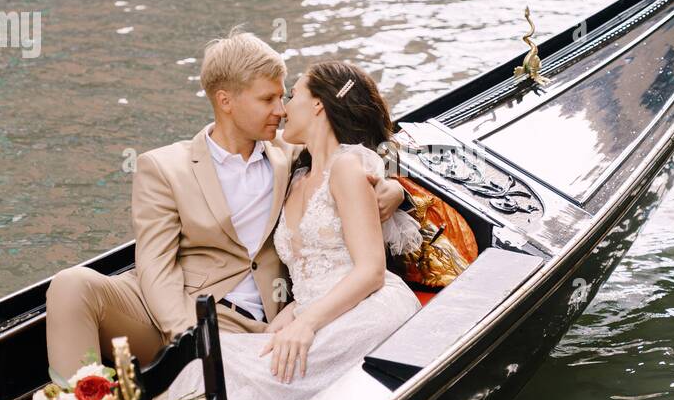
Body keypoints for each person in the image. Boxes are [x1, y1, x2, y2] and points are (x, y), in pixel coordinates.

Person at [45, 31, 410, 380]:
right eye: (268, 99)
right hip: (171, 312)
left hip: (251, 321)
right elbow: (154, 266)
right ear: (226, 101)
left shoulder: (293, 155)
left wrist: (394, 190)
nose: (282, 111)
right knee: (70, 284)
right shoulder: (163, 166)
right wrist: (188, 337)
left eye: (284, 97)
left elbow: (362, 143)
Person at [165, 58, 422, 400]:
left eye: (292, 94)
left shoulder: (347, 168)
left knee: (244, 370)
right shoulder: (297, 175)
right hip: (316, 310)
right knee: (215, 360)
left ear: (319, 105)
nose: (283, 108)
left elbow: (371, 271)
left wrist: (306, 320)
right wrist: (295, 311)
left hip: (369, 307)